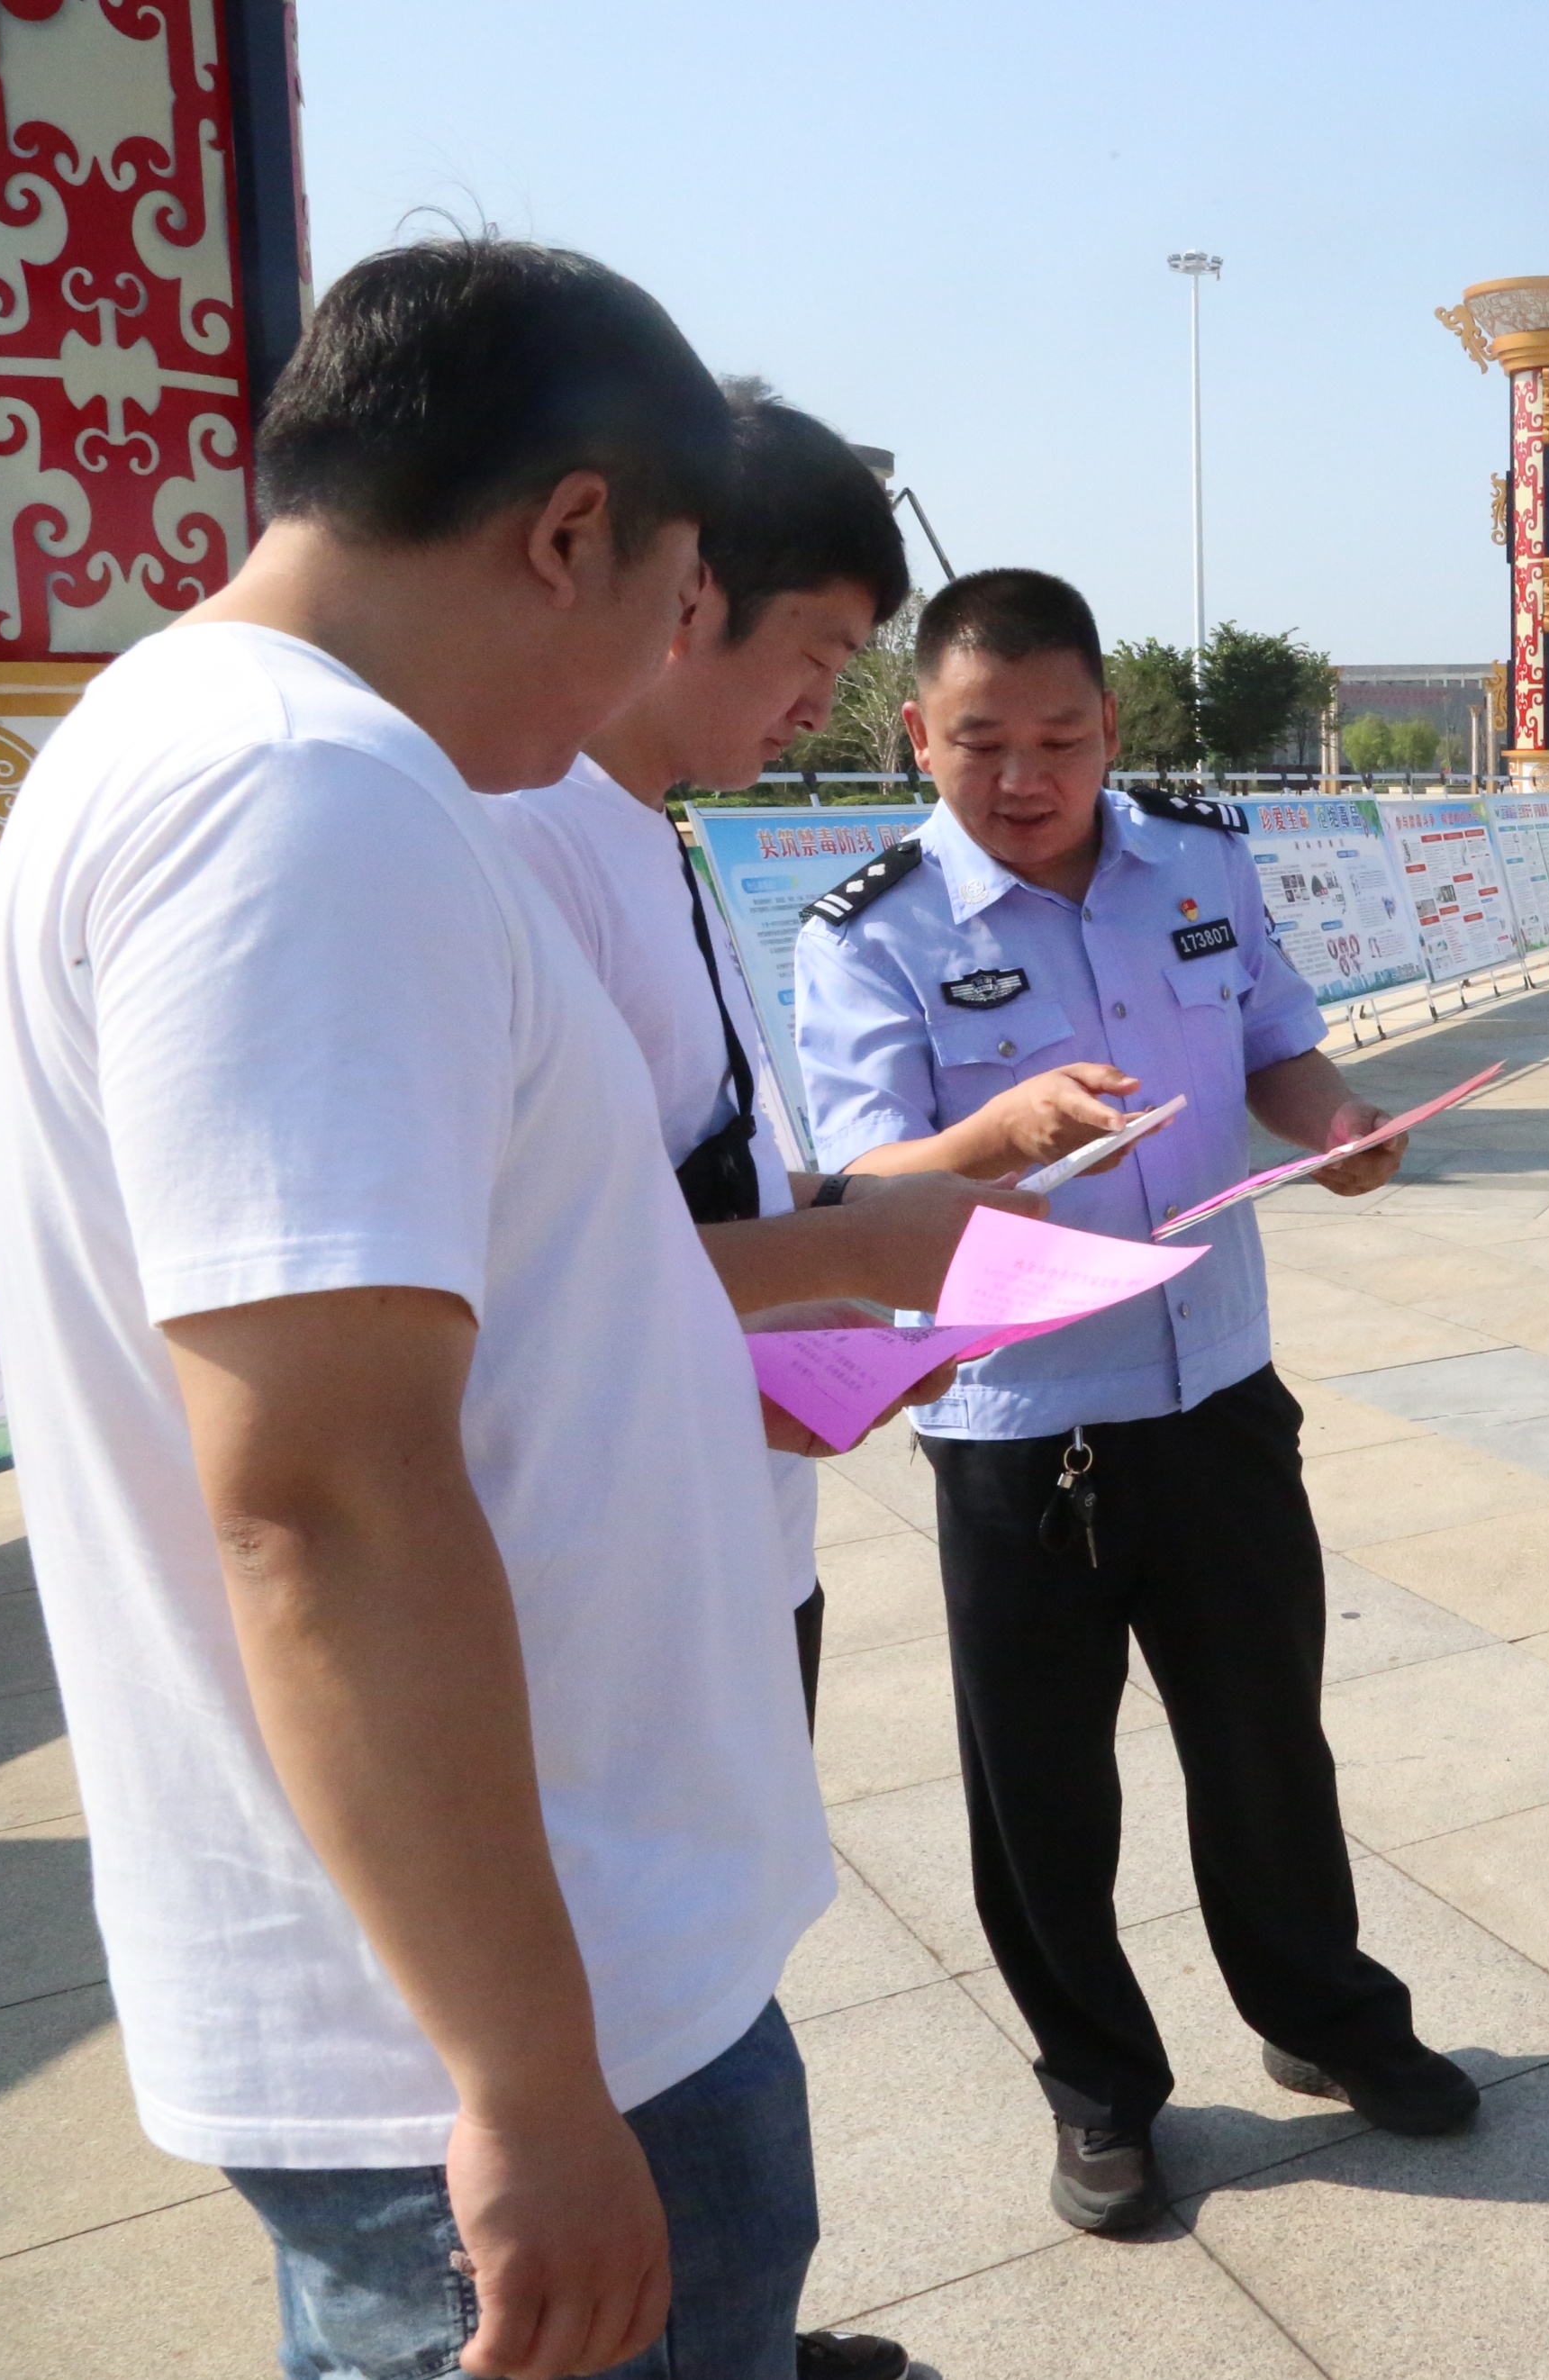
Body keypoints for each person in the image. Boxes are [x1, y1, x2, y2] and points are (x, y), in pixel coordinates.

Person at [0, 239, 837, 2380]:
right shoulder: (303, 798)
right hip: (508, 2022)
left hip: (525, 1969)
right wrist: (531, 2084)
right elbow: (325, 1495)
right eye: (676, 595)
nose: (653, 664)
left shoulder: (222, 743)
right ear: (570, 531)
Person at [794, 566, 1477, 2241]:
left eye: (1060, 738)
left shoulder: (1198, 861)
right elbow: (856, 1184)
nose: (1024, 777)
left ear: (1111, 725)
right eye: (980, 742)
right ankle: (1099, 2085)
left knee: (1265, 1736)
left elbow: (1277, 1040)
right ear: (917, 736)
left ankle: (1324, 2012)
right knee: (1042, 1784)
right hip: (1021, 1423)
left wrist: (1338, 1125)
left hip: (1218, 1387)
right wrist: (993, 1135)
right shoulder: (871, 931)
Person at [485, 382, 998, 2380]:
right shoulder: (520, 843)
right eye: (820, 652)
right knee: (651, 2038)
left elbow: (715, 1183)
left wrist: (901, 1215)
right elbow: (543, 1291)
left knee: (720, 2007)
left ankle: (741, 2337)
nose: (828, 704)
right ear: (684, 590)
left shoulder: (651, 833)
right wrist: (862, 1261)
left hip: (733, 1520)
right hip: (608, 1583)